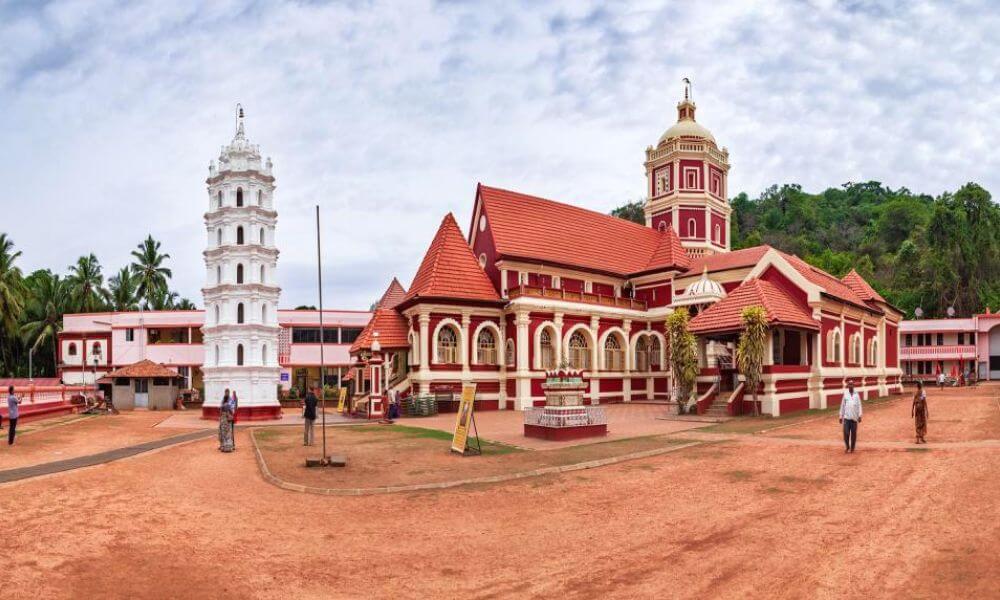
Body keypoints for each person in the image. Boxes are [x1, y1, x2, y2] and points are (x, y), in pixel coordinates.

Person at [839, 380, 862, 453]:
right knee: (846, 432)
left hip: (854, 418)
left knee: (853, 434)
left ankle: (852, 447)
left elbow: (859, 405)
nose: (851, 386)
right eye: (849, 384)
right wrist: (840, 416)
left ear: (853, 386)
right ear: (848, 386)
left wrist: (860, 415)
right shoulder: (845, 394)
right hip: (846, 418)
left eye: (852, 384)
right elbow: (842, 405)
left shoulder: (856, 394)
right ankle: (847, 446)